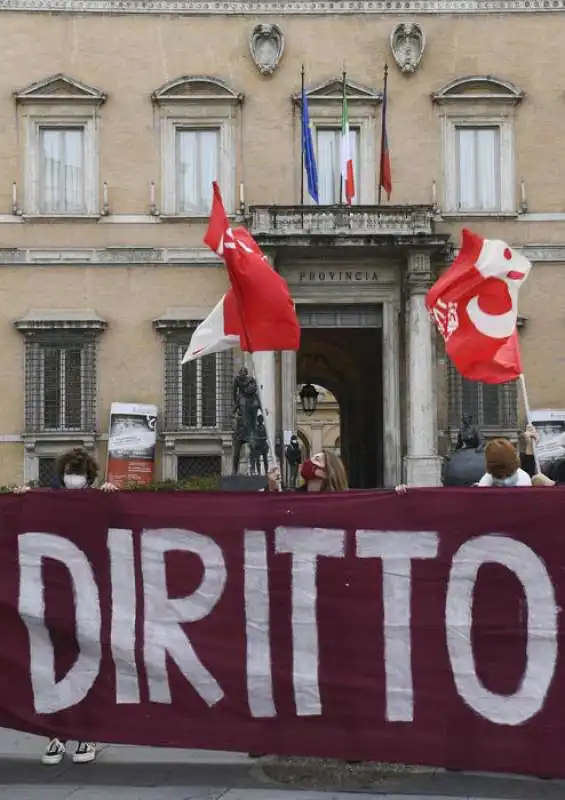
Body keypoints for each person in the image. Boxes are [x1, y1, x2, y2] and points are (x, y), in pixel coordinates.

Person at [13, 447, 117, 765]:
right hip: (53, 595)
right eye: (71, 470)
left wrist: (113, 496)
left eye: (79, 471)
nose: (74, 476)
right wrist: (22, 498)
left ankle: (86, 736)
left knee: (86, 664)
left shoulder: (98, 501)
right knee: (51, 665)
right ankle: (56, 737)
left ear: (89, 475)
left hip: (88, 596)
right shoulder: (47, 502)